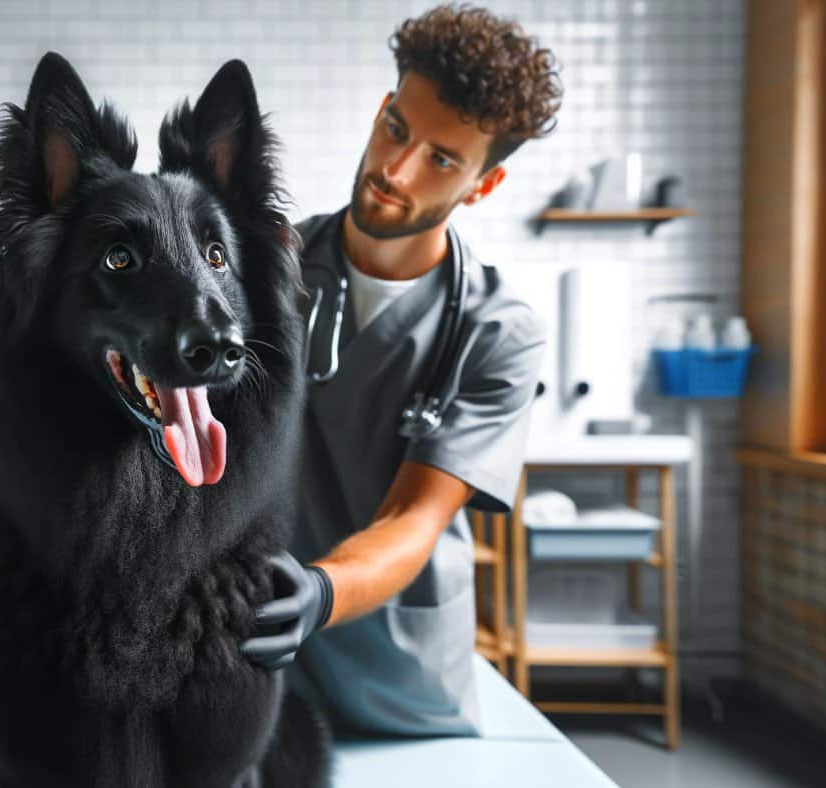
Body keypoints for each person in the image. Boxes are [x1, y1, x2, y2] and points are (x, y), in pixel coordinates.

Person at [240, 4, 562, 736]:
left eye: (441, 159)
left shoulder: (495, 330)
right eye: (396, 131)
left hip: (396, 677)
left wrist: (320, 592)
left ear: (481, 186)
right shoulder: (262, 267)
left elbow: (413, 516)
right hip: (251, 661)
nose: (395, 169)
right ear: (383, 109)